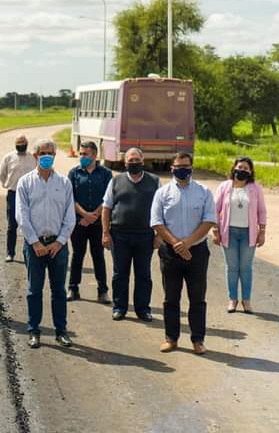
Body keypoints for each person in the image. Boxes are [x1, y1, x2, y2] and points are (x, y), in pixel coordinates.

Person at [151, 152, 216, 355]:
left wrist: (187, 243)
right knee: (171, 298)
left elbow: (209, 220)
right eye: (178, 166)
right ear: (172, 169)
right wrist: (176, 244)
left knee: (197, 298)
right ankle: (171, 338)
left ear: (191, 167)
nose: (182, 170)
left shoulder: (204, 192)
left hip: (196, 252)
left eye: (185, 166)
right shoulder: (162, 193)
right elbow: (156, 221)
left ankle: (198, 340)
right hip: (170, 252)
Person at [16, 140, 76, 348]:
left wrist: (60, 242)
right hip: (35, 246)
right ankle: (34, 330)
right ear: (35, 155)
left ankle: (61, 331)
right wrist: (35, 242)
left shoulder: (64, 183)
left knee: (59, 290)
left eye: (50, 152)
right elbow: (21, 216)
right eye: (43, 153)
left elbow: (70, 216)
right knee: (34, 290)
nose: (46, 156)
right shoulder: (25, 182)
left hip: (57, 246)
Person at [102, 147, 160, 322]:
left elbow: (161, 210)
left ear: (143, 161)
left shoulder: (155, 181)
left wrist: (159, 235)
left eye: (137, 160)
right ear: (124, 162)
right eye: (130, 160)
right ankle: (120, 307)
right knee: (120, 273)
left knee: (143, 274)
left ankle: (143, 309)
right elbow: (106, 208)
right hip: (119, 235)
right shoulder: (116, 181)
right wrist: (105, 233)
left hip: (145, 235)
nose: (134, 163)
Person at [213, 157, 267, 314]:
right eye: (240, 167)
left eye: (246, 169)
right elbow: (215, 210)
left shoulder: (255, 188)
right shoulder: (224, 187)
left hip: (248, 234)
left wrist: (262, 232)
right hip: (228, 232)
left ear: (250, 172)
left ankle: (246, 300)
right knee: (232, 267)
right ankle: (232, 299)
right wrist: (215, 231)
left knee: (246, 268)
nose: (242, 170)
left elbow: (262, 211)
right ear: (234, 168)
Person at [67, 141, 113, 303]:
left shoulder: (106, 174)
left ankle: (103, 291)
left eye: (85, 154)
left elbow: (109, 199)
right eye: (80, 154)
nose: (82, 157)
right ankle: (73, 288)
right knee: (77, 255)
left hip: (98, 223)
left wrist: (94, 215)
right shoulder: (74, 173)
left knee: (98, 255)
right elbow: (70, 198)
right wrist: (85, 215)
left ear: (94, 155)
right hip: (79, 223)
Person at [0, 135, 36, 262]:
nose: (21, 145)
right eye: (19, 143)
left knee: (29, 223)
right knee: (12, 225)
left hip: (30, 195)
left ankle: (29, 253)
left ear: (27, 144)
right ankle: (10, 253)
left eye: (23, 143)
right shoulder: (9, 157)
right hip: (13, 194)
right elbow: (2, 174)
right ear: (15, 144)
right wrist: (7, 185)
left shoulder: (32, 158)